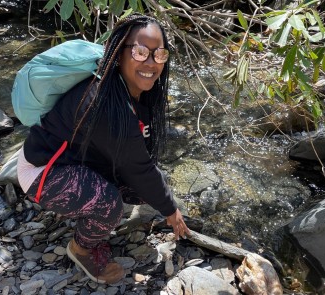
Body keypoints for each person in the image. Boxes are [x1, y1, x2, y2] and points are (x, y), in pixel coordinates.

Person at [16, 13, 190, 284]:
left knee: (142, 190)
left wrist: (161, 197)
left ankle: (87, 211)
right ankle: (81, 249)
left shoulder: (132, 90)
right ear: (118, 53)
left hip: (78, 161)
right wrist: (171, 209)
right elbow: (138, 167)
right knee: (109, 204)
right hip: (42, 171)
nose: (151, 63)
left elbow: (138, 159)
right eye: (141, 52)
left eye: (159, 54)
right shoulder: (102, 100)